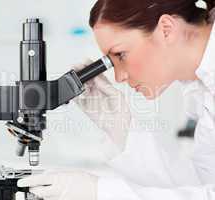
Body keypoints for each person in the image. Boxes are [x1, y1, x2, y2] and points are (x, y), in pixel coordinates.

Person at [18, 0, 215, 199]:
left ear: (166, 29)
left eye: (120, 55)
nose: (119, 77)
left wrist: (101, 192)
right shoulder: (202, 90)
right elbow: (199, 184)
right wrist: (120, 128)